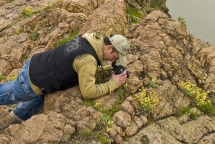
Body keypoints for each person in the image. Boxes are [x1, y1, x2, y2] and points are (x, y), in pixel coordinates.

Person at [0, 33, 130, 131]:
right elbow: (88, 92)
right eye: (115, 58)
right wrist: (114, 83)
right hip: (31, 82)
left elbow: (78, 62)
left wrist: (109, 69)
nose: (114, 61)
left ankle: (15, 118)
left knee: (40, 99)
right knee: (6, 95)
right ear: (109, 47)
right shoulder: (88, 60)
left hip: (37, 65)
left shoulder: (91, 39)